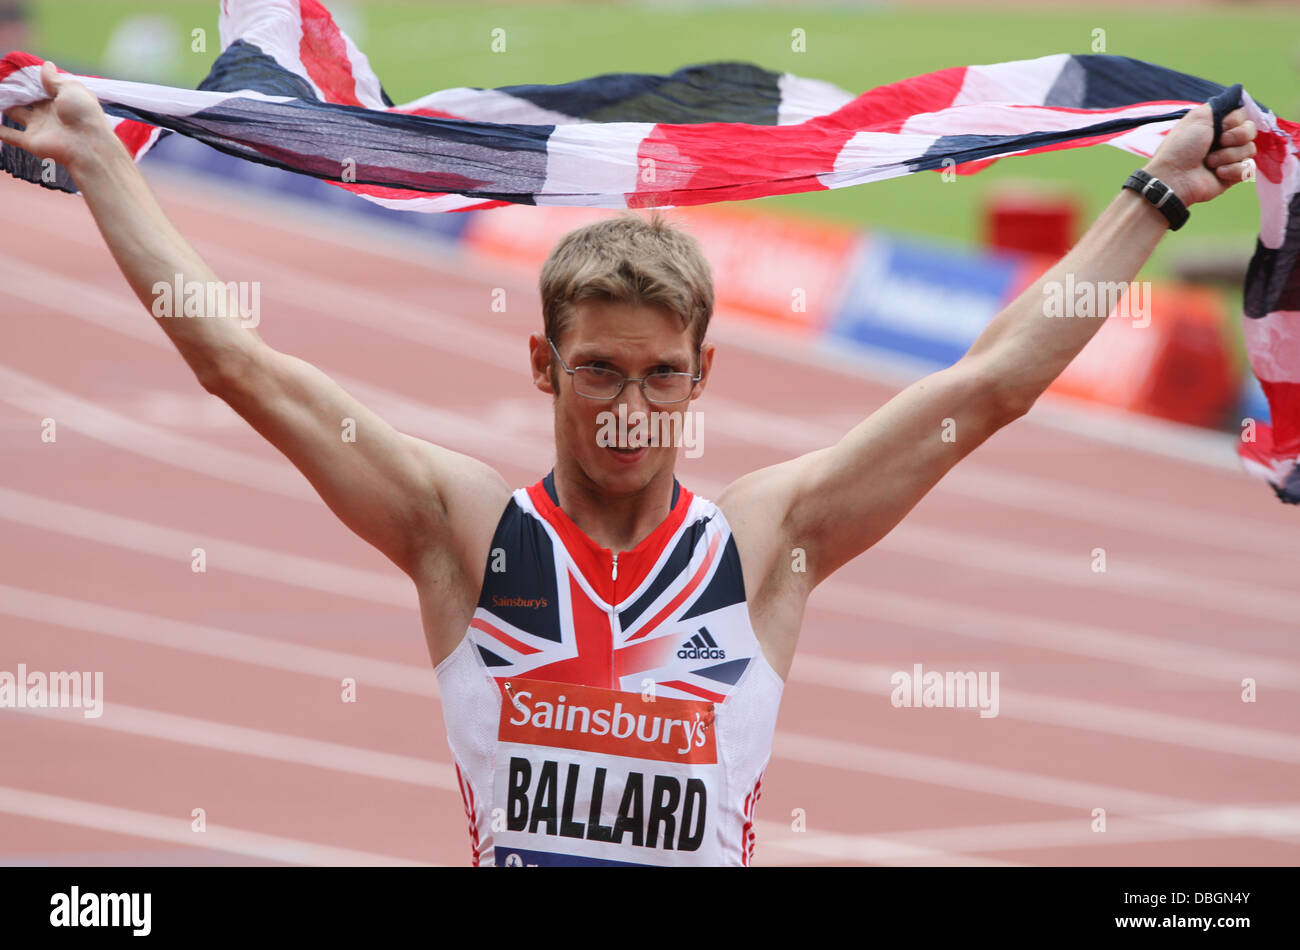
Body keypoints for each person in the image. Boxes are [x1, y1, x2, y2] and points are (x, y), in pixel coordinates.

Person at [0, 61, 1258, 866]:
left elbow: (985, 387)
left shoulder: (767, 541)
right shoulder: (464, 532)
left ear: (702, 378)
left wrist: (1152, 196)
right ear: (544, 369)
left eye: (661, 375)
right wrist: (105, 158)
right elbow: (244, 369)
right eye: (598, 370)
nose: (627, 408)